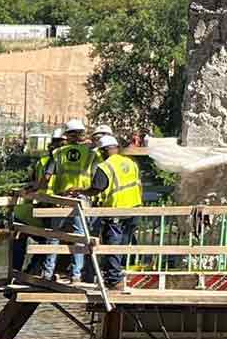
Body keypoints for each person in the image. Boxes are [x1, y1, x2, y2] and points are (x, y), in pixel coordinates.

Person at [73, 134, 142, 291]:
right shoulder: (131, 163)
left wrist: (80, 191)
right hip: (135, 208)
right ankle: (119, 275)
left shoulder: (105, 167)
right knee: (123, 244)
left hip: (116, 210)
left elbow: (97, 188)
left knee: (113, 245)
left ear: (104, 151)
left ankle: (114, 280)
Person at [38, 119, 100, 284]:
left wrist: (37, 189)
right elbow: (96, 177)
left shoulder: (58, 153)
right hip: (81, 199)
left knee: (54, 235)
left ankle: (47, 273)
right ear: (81, 133)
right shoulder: (91, 154)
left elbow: (46, 177)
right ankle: (76, 275)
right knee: (79, 237)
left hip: (62, 199)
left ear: (67, 135)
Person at [10, 128, 66, 273]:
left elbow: (35, 183)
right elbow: (37, 183)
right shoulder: (48, 161)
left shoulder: (45, 161)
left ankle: (24, 271)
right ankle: (30, 271)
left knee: (45, 241)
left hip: (49, 206)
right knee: (47, 241)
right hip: (49, 206)